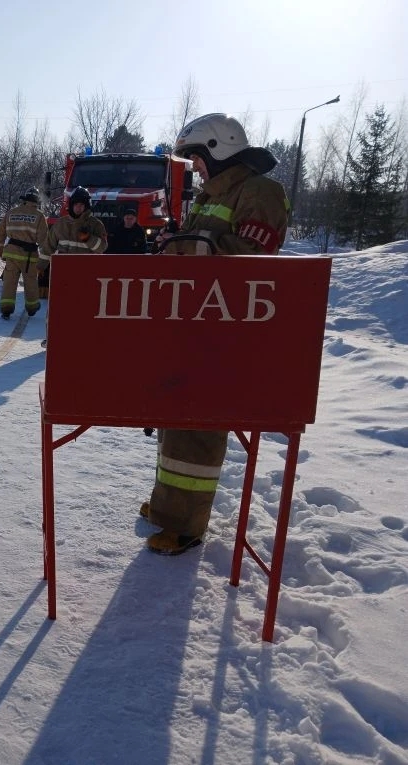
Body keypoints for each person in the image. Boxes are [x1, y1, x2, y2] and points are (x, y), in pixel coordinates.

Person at [141, 113, 289, 555]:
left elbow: (249, 259)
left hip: (226, 334)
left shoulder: (261, 192)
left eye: (197, 159)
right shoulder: (212, 195)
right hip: (195, 325)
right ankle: (169, 507)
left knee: (199, 428)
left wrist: (182, 248)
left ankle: (185, 526)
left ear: (217, 148)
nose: (195, 168)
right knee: (175, 423)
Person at [0, 187, 49, 319]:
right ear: (36, 200)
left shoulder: (11, 212)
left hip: (11, 253)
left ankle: (6, 309)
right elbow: (43, 240)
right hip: (29, 256)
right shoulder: (39, 216)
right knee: (30, 281)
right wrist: (45, 258)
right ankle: (32, 307)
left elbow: (0, 231)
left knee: (9, 282)